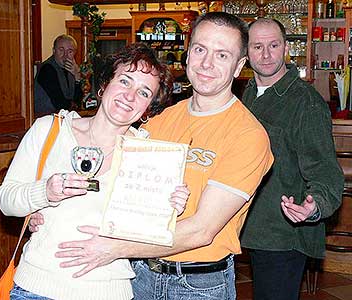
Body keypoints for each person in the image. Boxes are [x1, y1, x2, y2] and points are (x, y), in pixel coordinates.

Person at [45, 12, 274, 300]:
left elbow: (201, 230)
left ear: (239, 65)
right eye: (200, 50)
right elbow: (110, 181)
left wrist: (115, 247)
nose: (206, 64)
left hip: (198, 285)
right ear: (188, 54)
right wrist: (48, 210)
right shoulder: (159, 120)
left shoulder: (248, 135)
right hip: (139, 274)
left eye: (222, 55)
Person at [0, 43, 190, 300]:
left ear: (148, 109)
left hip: (108, 291)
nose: (130, 96)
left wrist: (168, 211)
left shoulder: (150, 157)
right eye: (124, 81)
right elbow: (7, 201)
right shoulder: (49, 130)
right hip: (36, 288)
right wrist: (45, 191)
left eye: (144, 92)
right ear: (104, 85)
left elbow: (149, 234)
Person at [240, 18, 344, 300]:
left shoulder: (305, 102)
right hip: (252, 228)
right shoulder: (247, 93)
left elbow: (325, 171)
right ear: (246, 52)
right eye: (257, 46)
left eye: (273, 45)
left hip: (284, 233)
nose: (265, 54)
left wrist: (314, 207)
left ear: (285, 47)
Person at [34, 34, 83, 116]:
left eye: (70, 51)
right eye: (61, 50)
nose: (65, 55)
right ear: (54, 51)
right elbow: (60, 104)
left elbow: (78, 101)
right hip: (45, 119)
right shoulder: (47, 69)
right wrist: (73, 104)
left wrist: (77, 77)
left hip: (62, 118)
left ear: (75, 53)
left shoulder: (70, 69)